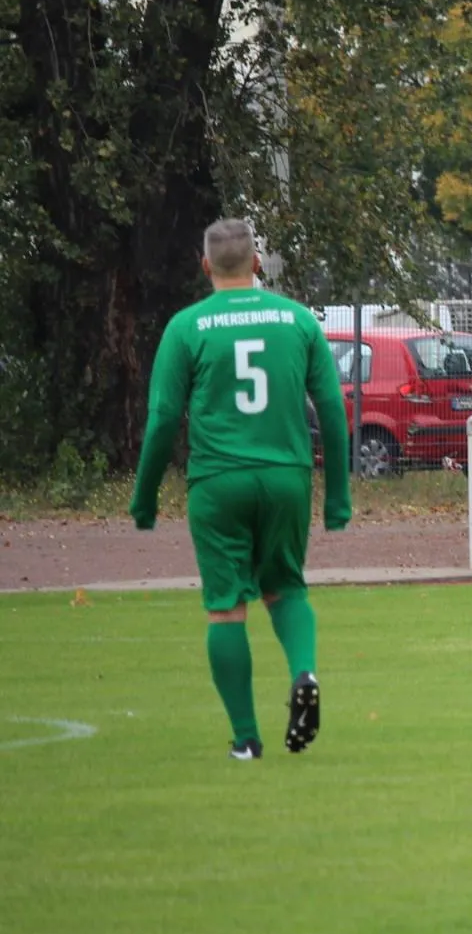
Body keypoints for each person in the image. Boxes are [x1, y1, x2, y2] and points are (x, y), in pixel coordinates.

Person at [129, 218, 351, 759]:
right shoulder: (297, 319)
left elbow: (163, 418)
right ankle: (303, 672)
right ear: (256, 263)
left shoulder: (186, 327)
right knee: (286, 587)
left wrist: (146, 496)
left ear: (205, 265)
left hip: (218, 481)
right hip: (286, 477)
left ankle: (247, 740)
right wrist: (338, 496)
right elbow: (332, 409)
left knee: (226, 606)